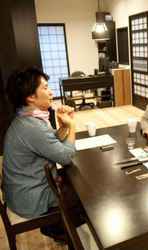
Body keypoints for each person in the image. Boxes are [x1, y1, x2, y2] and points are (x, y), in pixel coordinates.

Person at [2, 67, 78, 241]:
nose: (51, 92)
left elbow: (50, 142)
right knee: (86, 195)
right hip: (30, 197)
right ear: (30, 97)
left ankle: (57, 227)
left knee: (74, 183)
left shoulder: (27, 117)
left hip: (22, 189)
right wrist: (72, 125)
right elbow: (66, 157)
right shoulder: (31, 126)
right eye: (45, 88)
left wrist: (63, 126)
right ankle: (58, 229)